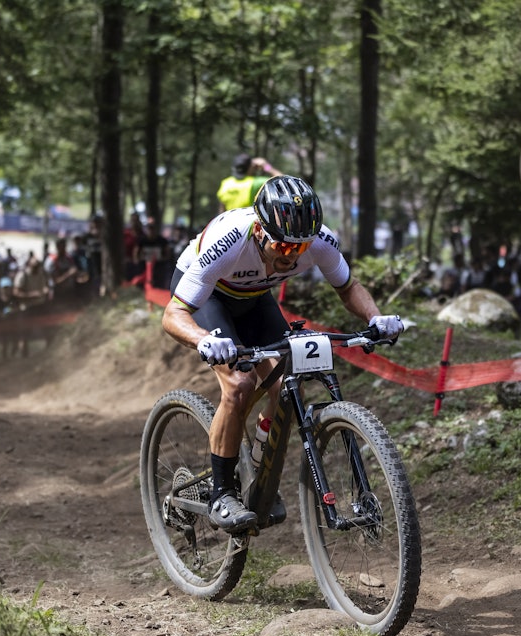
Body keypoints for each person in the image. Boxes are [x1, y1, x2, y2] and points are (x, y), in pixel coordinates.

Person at [161, 175, 403, 533]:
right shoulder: (228, 241)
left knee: (287, 386)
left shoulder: (318, 241)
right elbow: (172, 314)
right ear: (259, 231)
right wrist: (203, 341)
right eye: (285, 248)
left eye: (301, 249)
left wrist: (375, 318)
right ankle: (221, 494)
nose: (293, 256)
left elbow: (348, 286)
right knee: (239, 384)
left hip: (255, 297)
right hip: (208, 296)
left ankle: (260, 473)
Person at [216, 153, 283, 211]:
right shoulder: (255, 183)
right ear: (250, 167)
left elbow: (222, 209)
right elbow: (282, 180)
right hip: (249, 223)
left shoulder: (225, 183)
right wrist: (266, 166)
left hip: (231, 223)